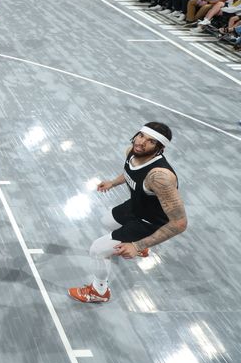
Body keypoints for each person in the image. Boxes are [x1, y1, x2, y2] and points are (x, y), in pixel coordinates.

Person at [68, 123, 187, 303]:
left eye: (150, 141)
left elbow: (179, 223)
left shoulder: (160, 177)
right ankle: (136, 243)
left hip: (150, 222)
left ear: (159, 148)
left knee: (97, 251)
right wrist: (113, 183)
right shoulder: (132, 151)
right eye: (140, 136)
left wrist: (137, 246)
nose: (141, 142)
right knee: (107, 221)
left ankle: (99, 292)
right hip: (137, 206)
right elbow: (130, 171)